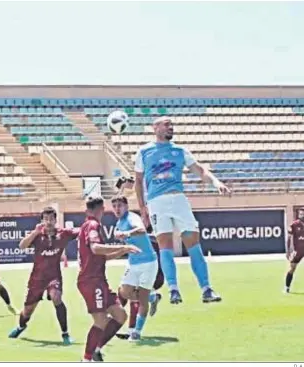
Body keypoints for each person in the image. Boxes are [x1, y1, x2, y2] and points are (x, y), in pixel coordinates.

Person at [134, 116, 230, 304]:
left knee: (193, 242)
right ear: (155, 128)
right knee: (165, 246)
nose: (171, 127)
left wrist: (216, 182)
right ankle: (173, 289)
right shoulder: (144, 151)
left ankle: (206, 289)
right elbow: (138, 181)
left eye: (172, 125)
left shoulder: (180, 150)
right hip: (156, 202)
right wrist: (142, 208)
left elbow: (200, 170)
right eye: (166, 124)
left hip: (178, 199)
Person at [77, 196, 141, 362]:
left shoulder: (88, 225)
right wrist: (123, 246)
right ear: (101, 210)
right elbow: (96, 248)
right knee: (101, 320)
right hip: (91, 281)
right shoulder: (92, 225)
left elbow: (99, 257)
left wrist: (120, 252)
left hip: (99, 280)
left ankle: (97, 350)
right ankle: (86, 360)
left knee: (120, 315)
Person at [9, 207, 78, 345]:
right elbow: (22, 246)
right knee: (27, 311)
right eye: (45, 219)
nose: (48, 222)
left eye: (51, 219)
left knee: (56, 297)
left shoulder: (63, 234)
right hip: (37, 278)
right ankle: (21, 326)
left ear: (55, 220)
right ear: (41, 221)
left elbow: (81, 231)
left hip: (54, 276)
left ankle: (65, 334)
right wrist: (34, 232)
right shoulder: (37, 235)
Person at [111, 196, 159, 341]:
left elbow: (142, 229)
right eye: (114, 206)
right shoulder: (119, 223)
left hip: (148, 262)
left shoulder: (132, 218)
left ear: (126, 206)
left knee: (142, 300)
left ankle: (136, 332)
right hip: (133, 263)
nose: (117, 209)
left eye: (119, 205)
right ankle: (153, 297)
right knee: (124, 292)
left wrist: (127, 234)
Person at [285, 208, 304, 293]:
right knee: (292, 268)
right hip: (298, 251)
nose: (301, 216)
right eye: (300, 214)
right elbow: (288, 238)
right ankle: (287, 287)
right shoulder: (294, 225)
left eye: (303, 214)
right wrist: (288, 251)